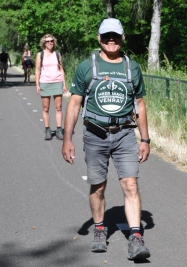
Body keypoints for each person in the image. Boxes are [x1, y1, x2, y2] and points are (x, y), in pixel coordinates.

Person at [61, 18, 151, 260]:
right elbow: (75, 104)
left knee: (130, 184)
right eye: (106, 36)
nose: (111, 40)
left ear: (122, 38)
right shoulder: (86, 67)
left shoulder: (133, 67)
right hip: (95, 133)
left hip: (124, 134)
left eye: (116, 36)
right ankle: (100, 230)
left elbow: (139, 103)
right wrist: (67, 138)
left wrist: (145, 139)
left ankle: (136, 237)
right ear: (99, 38)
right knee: (98, 186)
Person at [35, 34, 67, 141]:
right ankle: (47, 130)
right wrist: (37, 85)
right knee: (45, 108)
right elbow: (38, 70)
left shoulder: (57, 54)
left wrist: (64, 84)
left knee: (58, 108)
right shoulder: (40, 55)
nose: (50, 43)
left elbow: (61, 69)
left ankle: (59, 130)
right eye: (48, 41)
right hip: (45, 82)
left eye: (52, 41)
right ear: (44, 43)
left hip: (57, 82)